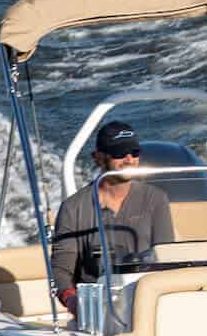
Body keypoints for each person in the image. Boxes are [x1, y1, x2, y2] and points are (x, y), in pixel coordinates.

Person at [50, 119, 175, 317]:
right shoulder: (72, 208)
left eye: (134, 152)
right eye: (119, 153)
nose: (129, 159)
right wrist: (72, 301)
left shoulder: (156, 199)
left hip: (147, 304)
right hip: (97, 308)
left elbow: (166, 258)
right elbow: (62, 271)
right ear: (98, 157)